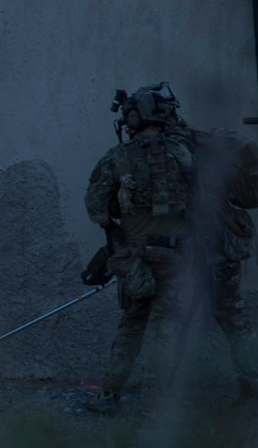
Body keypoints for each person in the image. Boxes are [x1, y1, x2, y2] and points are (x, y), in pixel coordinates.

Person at [83, 83, 197, 411]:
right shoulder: (182, 154)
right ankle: (155, 405)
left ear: (135, 117)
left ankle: (109, 396)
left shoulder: (118, 157)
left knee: (132, 325)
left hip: (135, 260)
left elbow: (96, 207)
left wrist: (116, 227)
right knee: (166, 330)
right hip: (175, 257)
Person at [166, 110, 258, 400]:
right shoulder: (206, 145)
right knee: (232, 317)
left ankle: (169, 393)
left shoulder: (165, 152)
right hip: (219, 249)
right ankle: (254, 384)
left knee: (175, 319)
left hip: (191, 250)